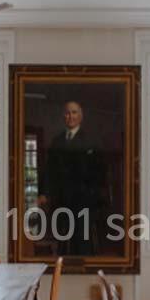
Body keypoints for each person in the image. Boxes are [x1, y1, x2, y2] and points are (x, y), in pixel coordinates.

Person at [38, 101, 104, 255]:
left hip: (84, 200)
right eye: (67, 113)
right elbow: (49, 170)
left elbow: (99, 172)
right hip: (62, 199)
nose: (71, 116)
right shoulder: (57, 141)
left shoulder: (91, 140)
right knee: (63, 239)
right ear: (64, 116)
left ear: (81, 116)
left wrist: (92, 194)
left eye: (74, 112)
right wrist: (44, 193)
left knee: (82, 240)